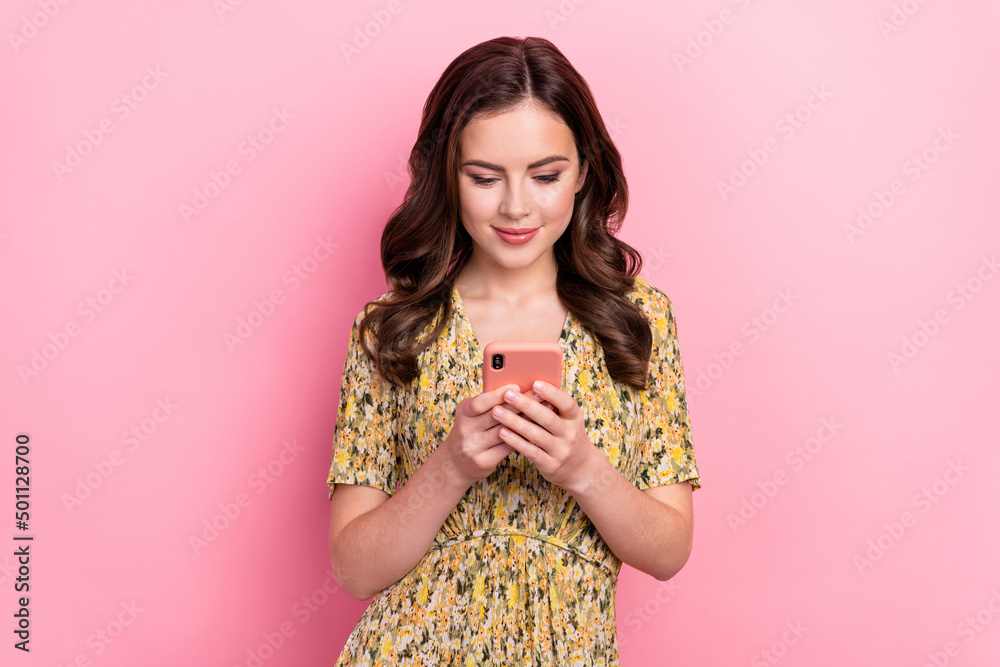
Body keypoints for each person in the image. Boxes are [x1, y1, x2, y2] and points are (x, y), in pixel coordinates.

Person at [326, 35, 701, 665]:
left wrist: (583, 469)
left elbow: (668, 552)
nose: (517, 206)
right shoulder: (393, 330)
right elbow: (354, 570)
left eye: (546, 175)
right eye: (484, 177)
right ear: (448, 174)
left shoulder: (637, 321)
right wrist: (449, 467)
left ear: (584, 171)